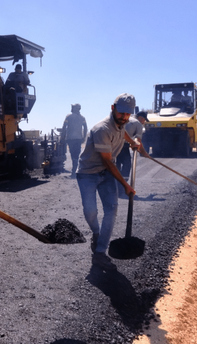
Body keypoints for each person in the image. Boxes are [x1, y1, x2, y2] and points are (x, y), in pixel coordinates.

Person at [75, 93, 141, 268]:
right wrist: (125, 185)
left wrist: (132, 142)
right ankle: (96, 233)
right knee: (90, 211)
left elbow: (122, 133)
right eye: (121, 113)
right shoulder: (102, 129)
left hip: (106, 174)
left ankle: (100, 252)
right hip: (87, 174)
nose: (124, 117)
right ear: (113, 109)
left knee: (111, 209)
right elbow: (108, 161)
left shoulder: (120, 124)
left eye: (128, 114)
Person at [115, 111, 150, 197]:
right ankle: (121, 189)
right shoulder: (138, 124)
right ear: (141, 118)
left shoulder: (127, 118)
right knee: (127, 165)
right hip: (122, 145)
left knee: (116, 165)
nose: (144, 122)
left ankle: (114, 188)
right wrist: (144, 153)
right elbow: (138, 141)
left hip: (112, 144)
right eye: (144, 120)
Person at [61, 103, 88, 178]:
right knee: (77, 155)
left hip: (71, 139)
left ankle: (74, 173)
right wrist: (84, 137)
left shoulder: (68, 117)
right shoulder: (82, 118)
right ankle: (76, 171)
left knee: (73, 155)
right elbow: (85, 128)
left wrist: (62, 137)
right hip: (79, 139)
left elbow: (64, 127)